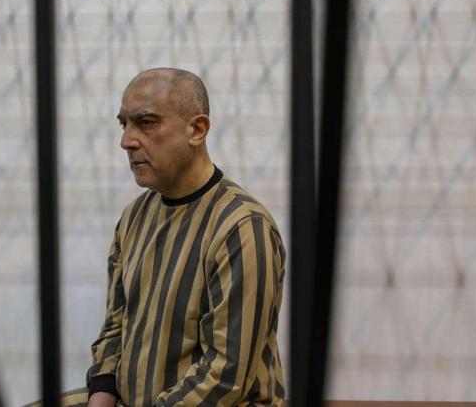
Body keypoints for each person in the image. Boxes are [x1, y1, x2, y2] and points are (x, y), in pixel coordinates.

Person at [27, 68, 286, 407]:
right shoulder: (134, 217)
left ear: (197, 130)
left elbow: (225, 376)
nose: (127, 141)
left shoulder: (242, 227)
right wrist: (100, 399)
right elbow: (114, 328)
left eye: (146, 123)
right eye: (124, 124)